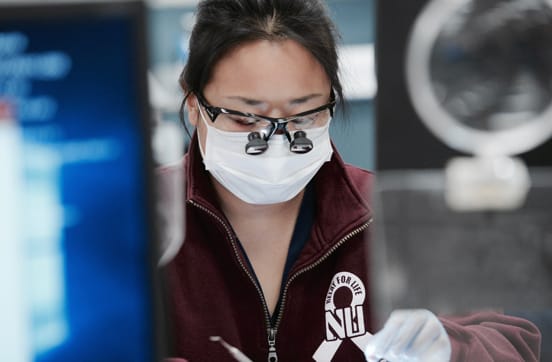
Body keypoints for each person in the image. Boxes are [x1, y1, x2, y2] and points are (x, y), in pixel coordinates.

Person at [158, 0, 541, 360]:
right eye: (246, 118)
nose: (276, 143)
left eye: (304, 116)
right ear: (193, 103)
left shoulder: (391, 215)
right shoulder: (136, 218)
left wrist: (450, 347)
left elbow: (511, 343)